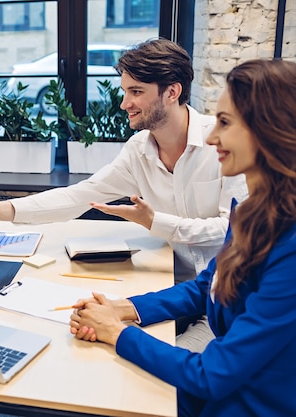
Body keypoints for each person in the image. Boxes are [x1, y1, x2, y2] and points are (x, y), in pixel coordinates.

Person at [0, 38, 247, 349]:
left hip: (222, 301)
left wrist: (155, 222)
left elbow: (232, 232)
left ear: (172, 92)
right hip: (171, 290)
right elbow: (78, 196)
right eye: (125, 91)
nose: (125, 103)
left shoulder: (221, 145)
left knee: (160, 382)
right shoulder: (139, 150)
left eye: (136, 92)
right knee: (89, 341)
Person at [69, 59, 296, 417]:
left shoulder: (291, 249)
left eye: (224, 123)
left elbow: (213, 375)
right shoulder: (250, 212)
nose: (209, 137)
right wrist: (124, 308)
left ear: (268, 130)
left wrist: (117, 332)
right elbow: (207, 286)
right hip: (227, 389)